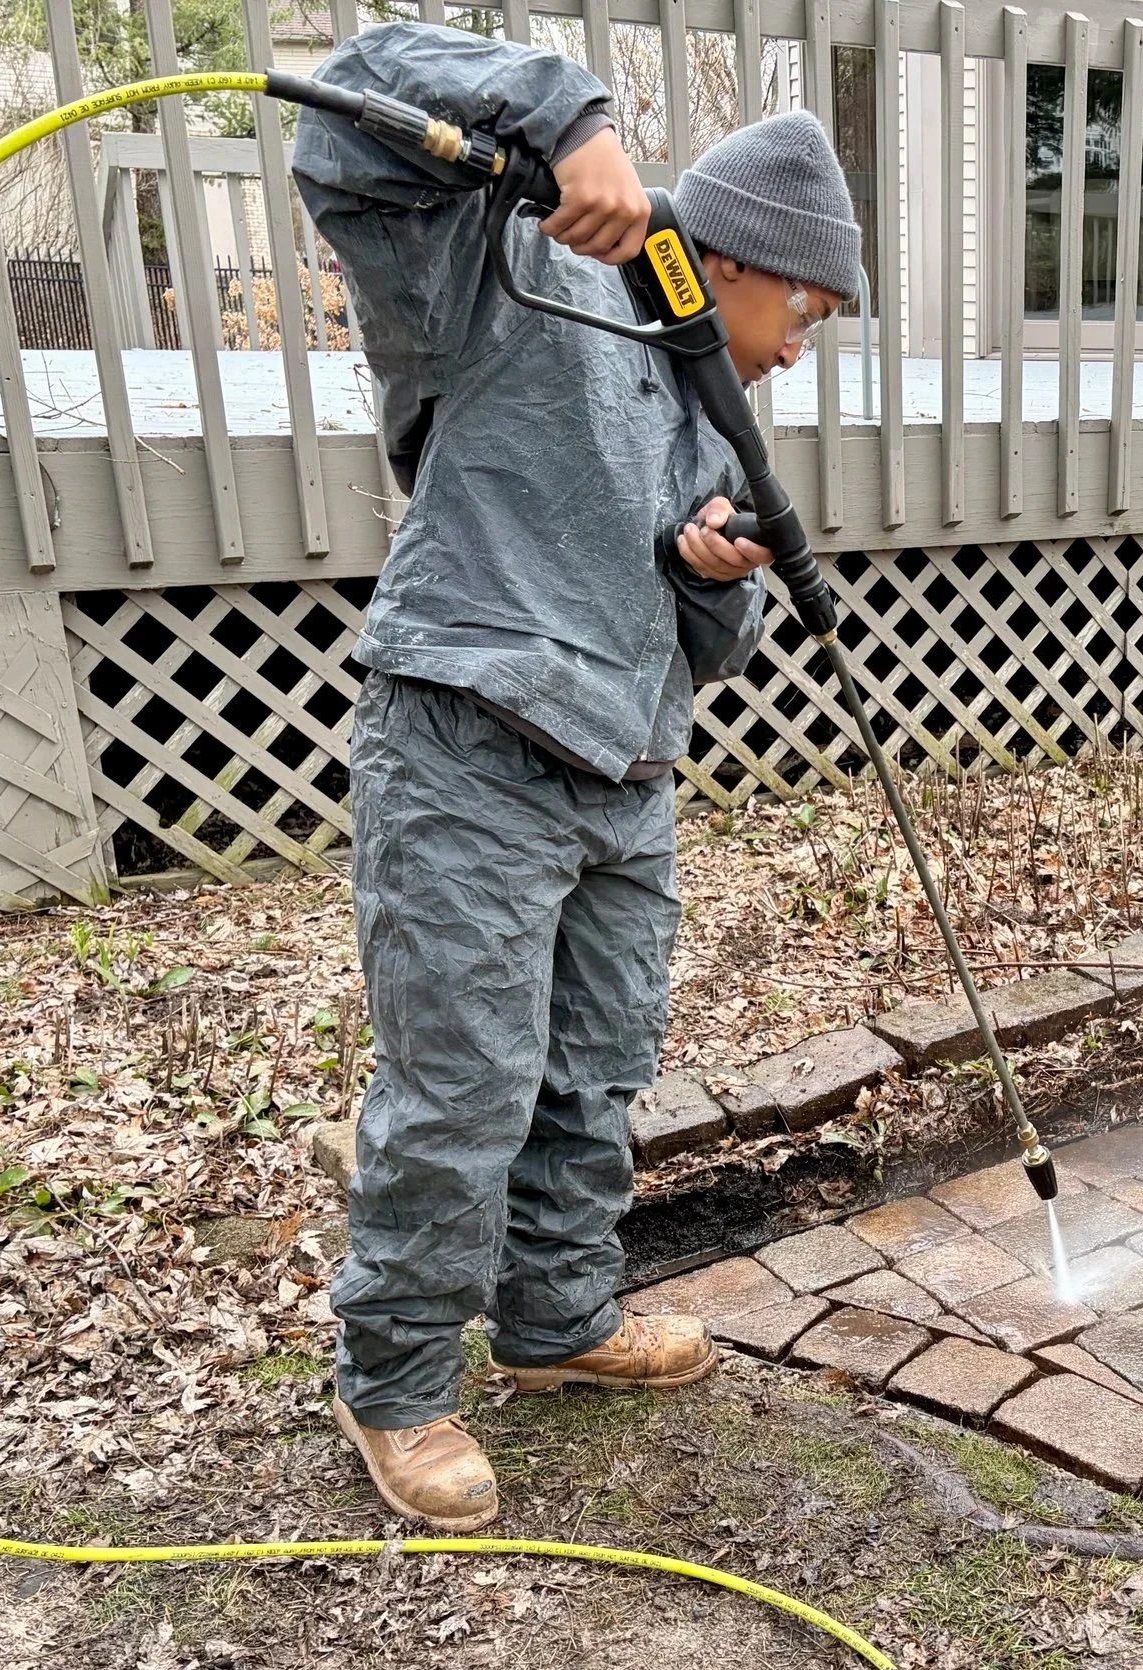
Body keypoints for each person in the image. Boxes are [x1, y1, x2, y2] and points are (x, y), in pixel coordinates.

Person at [293, 22, 858, 1531]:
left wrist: (706, 568)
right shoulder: (519, 285)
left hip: (628, 774)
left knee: (593, 1071)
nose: (802, 345)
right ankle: (395, 1376)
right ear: (730, 257)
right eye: (803, 306)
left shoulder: (706, 407)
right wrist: (566, 114)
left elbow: (710, 642)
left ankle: (555, 1320)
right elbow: (348, 113)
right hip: (471, 742)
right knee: (462, 1080)